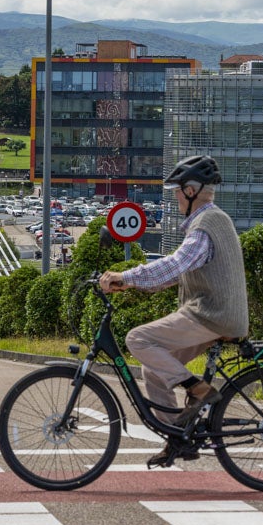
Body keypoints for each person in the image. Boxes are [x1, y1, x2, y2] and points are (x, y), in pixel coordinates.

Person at [98, 155, 249, 469]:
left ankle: (199, 390)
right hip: (212, 314)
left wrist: (126, 276)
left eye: (177, 191)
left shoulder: (206, 225)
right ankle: (178, 437)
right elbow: (180, 274)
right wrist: (133, 284)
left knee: (138, 339)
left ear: (191, 191)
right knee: (154, 369)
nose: (175, 197)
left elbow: (175, 264)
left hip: (211, 314)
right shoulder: (209, 222)